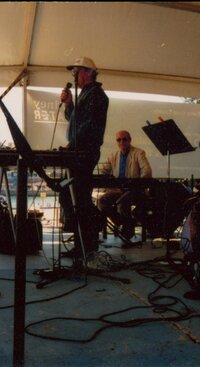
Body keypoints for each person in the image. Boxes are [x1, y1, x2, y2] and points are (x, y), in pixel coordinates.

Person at [59, 56, 109, 257]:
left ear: (88, 72)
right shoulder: (85, 95)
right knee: (73, 196)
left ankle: (87, 245)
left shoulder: (96, 95)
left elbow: (87, 125)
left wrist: (71, 147)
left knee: (80, 198)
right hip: (78, 152)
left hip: (84, 153)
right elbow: (73, 119)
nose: (74, 76)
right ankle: (82, 244)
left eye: (76, 72)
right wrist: (70, 104)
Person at [97, 130, 152, 239]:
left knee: (123, 201)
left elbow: (147, 172)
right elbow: (103, 172)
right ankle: (124, 222)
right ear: (116, 142)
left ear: (129, 140)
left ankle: (127, 235)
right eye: (119, 140)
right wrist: (109, 187)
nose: (122, 142)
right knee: (101, 202)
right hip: (118, 190)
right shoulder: (113, 155)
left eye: (124, 139)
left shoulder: (139, 153)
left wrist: (136, 185)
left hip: (135, 190)